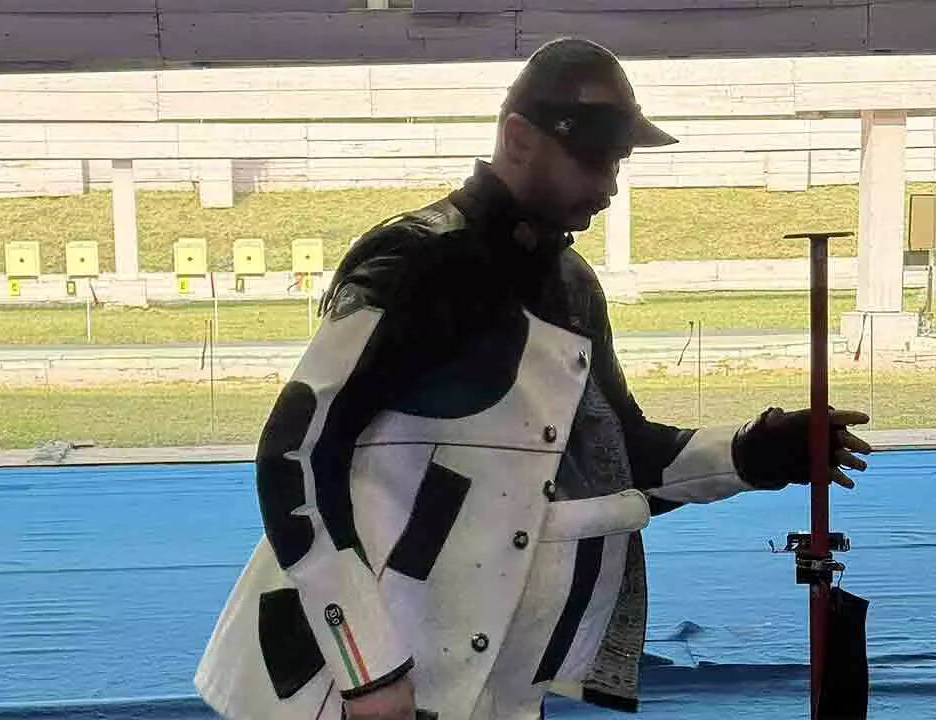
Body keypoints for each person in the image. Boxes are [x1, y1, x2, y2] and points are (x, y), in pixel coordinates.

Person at [194, 37, 871, 720]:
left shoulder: (571, 286)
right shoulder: (416, 261)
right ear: (518, 138)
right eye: (592, 158)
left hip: (488, 679)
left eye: (617, 161)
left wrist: (756, 452)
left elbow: (619, 461)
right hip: (347, 686)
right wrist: (365, 669)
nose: (609, 185)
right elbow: (296, 455)